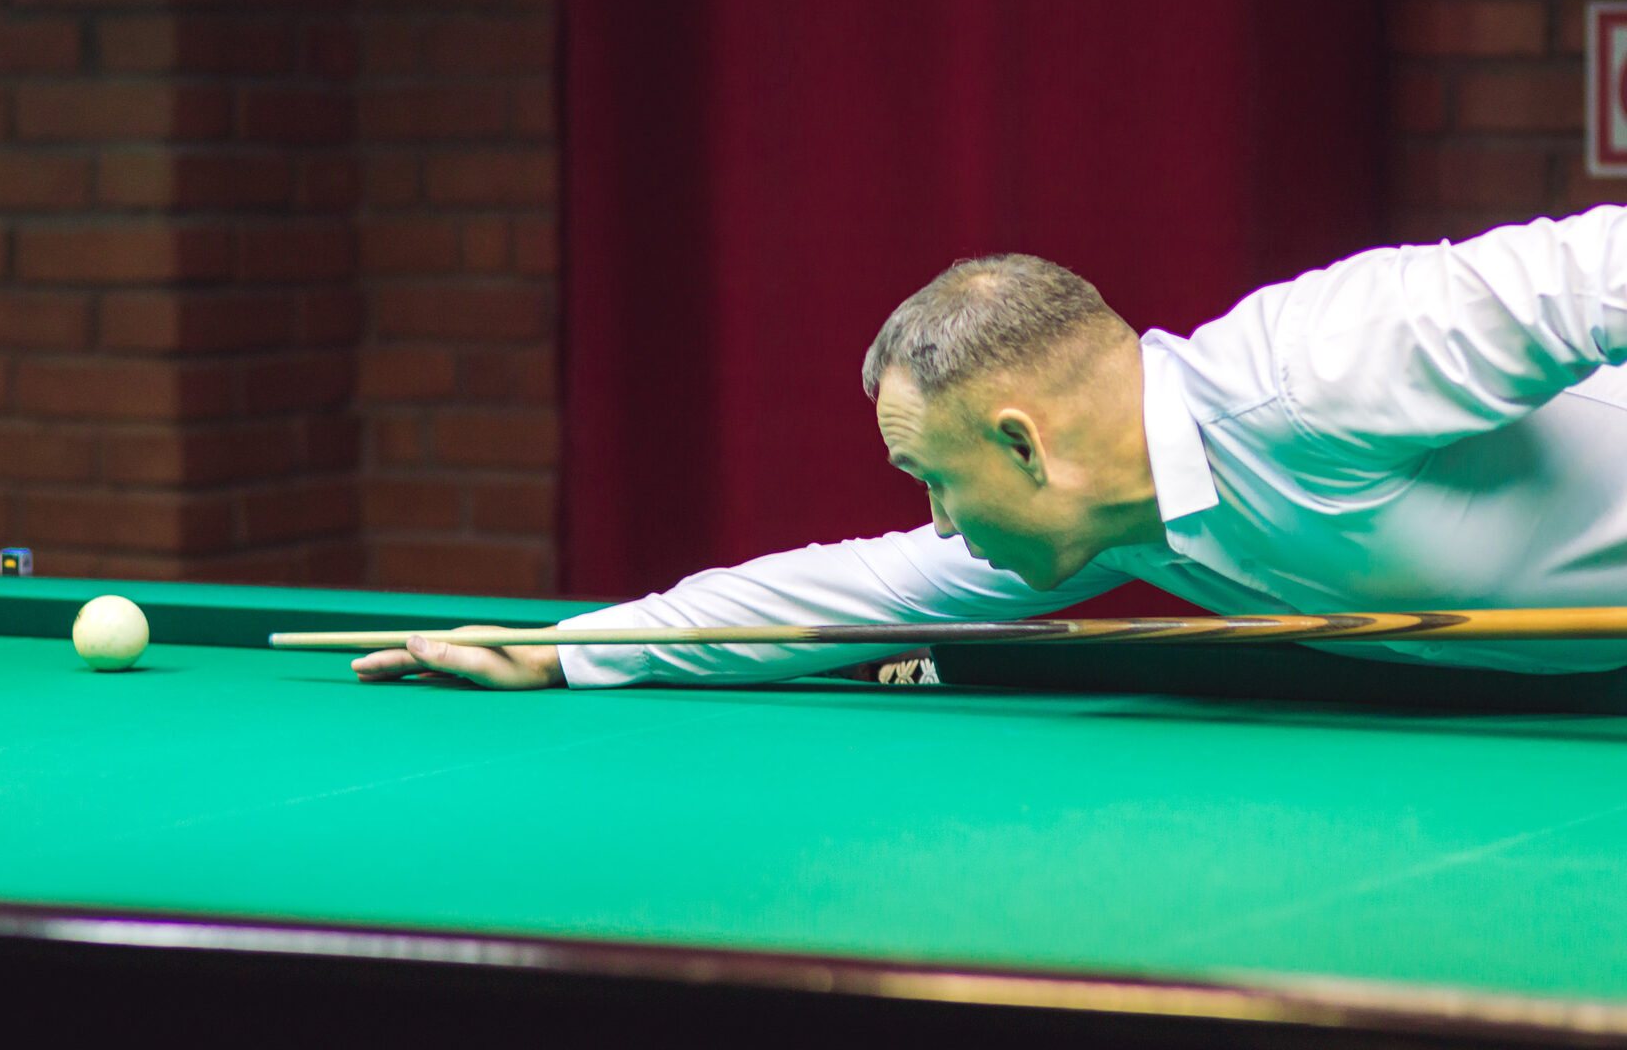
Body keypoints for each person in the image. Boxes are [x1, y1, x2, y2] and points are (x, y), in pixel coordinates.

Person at [354, 206, 1627, 690]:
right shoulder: (1115, 522)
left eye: (935, 479)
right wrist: (569, 649)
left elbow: (1596, 266)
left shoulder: (1312, 370)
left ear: (1023, 444)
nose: (942, 524)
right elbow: (843, 592)